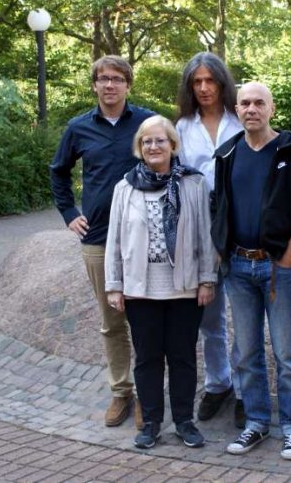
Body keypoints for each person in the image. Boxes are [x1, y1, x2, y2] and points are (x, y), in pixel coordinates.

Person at [211, 82, 291, 461]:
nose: (251, 109)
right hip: (237, 267)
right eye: (245, 103)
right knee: (246, 354)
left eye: (259, 103)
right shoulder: (227, 153)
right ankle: (256, 423)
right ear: (237, 110)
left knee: (287, 354)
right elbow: (218, 205)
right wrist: (220, 250)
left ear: (271, 109)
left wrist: (288, 258)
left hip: (277, 269)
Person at [50, 55, 155, 429]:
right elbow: (58, 172)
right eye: (103, 79)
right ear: (94, 85)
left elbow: (170, 161)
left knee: (143, 319)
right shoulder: (79, 128)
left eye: (117, 79)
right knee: (112, 321)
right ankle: (121, 392)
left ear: (128, 84)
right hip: (97, 238)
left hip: (143, 237)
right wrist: (68, 213)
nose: (110, 85)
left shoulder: (147, 121)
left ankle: (148, 395)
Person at [104, 115, 218, 449]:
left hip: (184, 287)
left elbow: (205, 237)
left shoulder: (193, 184)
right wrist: (115, 285)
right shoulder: (124, 188)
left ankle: (184, 420)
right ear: (140, 148)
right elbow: (114, 241)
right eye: (147, 141)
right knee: (148, 358)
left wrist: (207, 279)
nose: (154, 146)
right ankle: (151, 421)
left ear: (173, 145)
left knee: (182, 356)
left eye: (161, 140)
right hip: (140, 289)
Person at [175, 52, 245, 428]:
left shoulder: (241, 118)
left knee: (246, 314)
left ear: (222, 82)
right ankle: (219, 383)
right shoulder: (183, 127)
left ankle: (247, 388)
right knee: (209, 316)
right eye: (196, 82)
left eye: (210, 81)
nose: (203, 88)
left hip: (241, 226)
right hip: (201, 228)